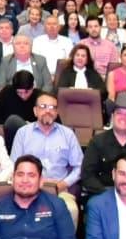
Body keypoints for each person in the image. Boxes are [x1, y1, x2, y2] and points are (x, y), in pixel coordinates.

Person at [8, 91, 82, 223]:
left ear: (57, 112)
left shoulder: (68, 134)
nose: (48, 111)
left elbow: (80, 167)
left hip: (58, 189)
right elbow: (13, 165)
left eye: (52, 107)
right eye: (43, 107)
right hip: (27, 188)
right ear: (35, 111)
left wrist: (64, 184)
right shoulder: (23, 133)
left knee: (71, 209)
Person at [80, 93, 126, 195]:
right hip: (102, 195)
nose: (123, 118)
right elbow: (87, 176)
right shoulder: (97, 142)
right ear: (112, 116)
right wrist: (108, 194)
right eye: (119, 113)